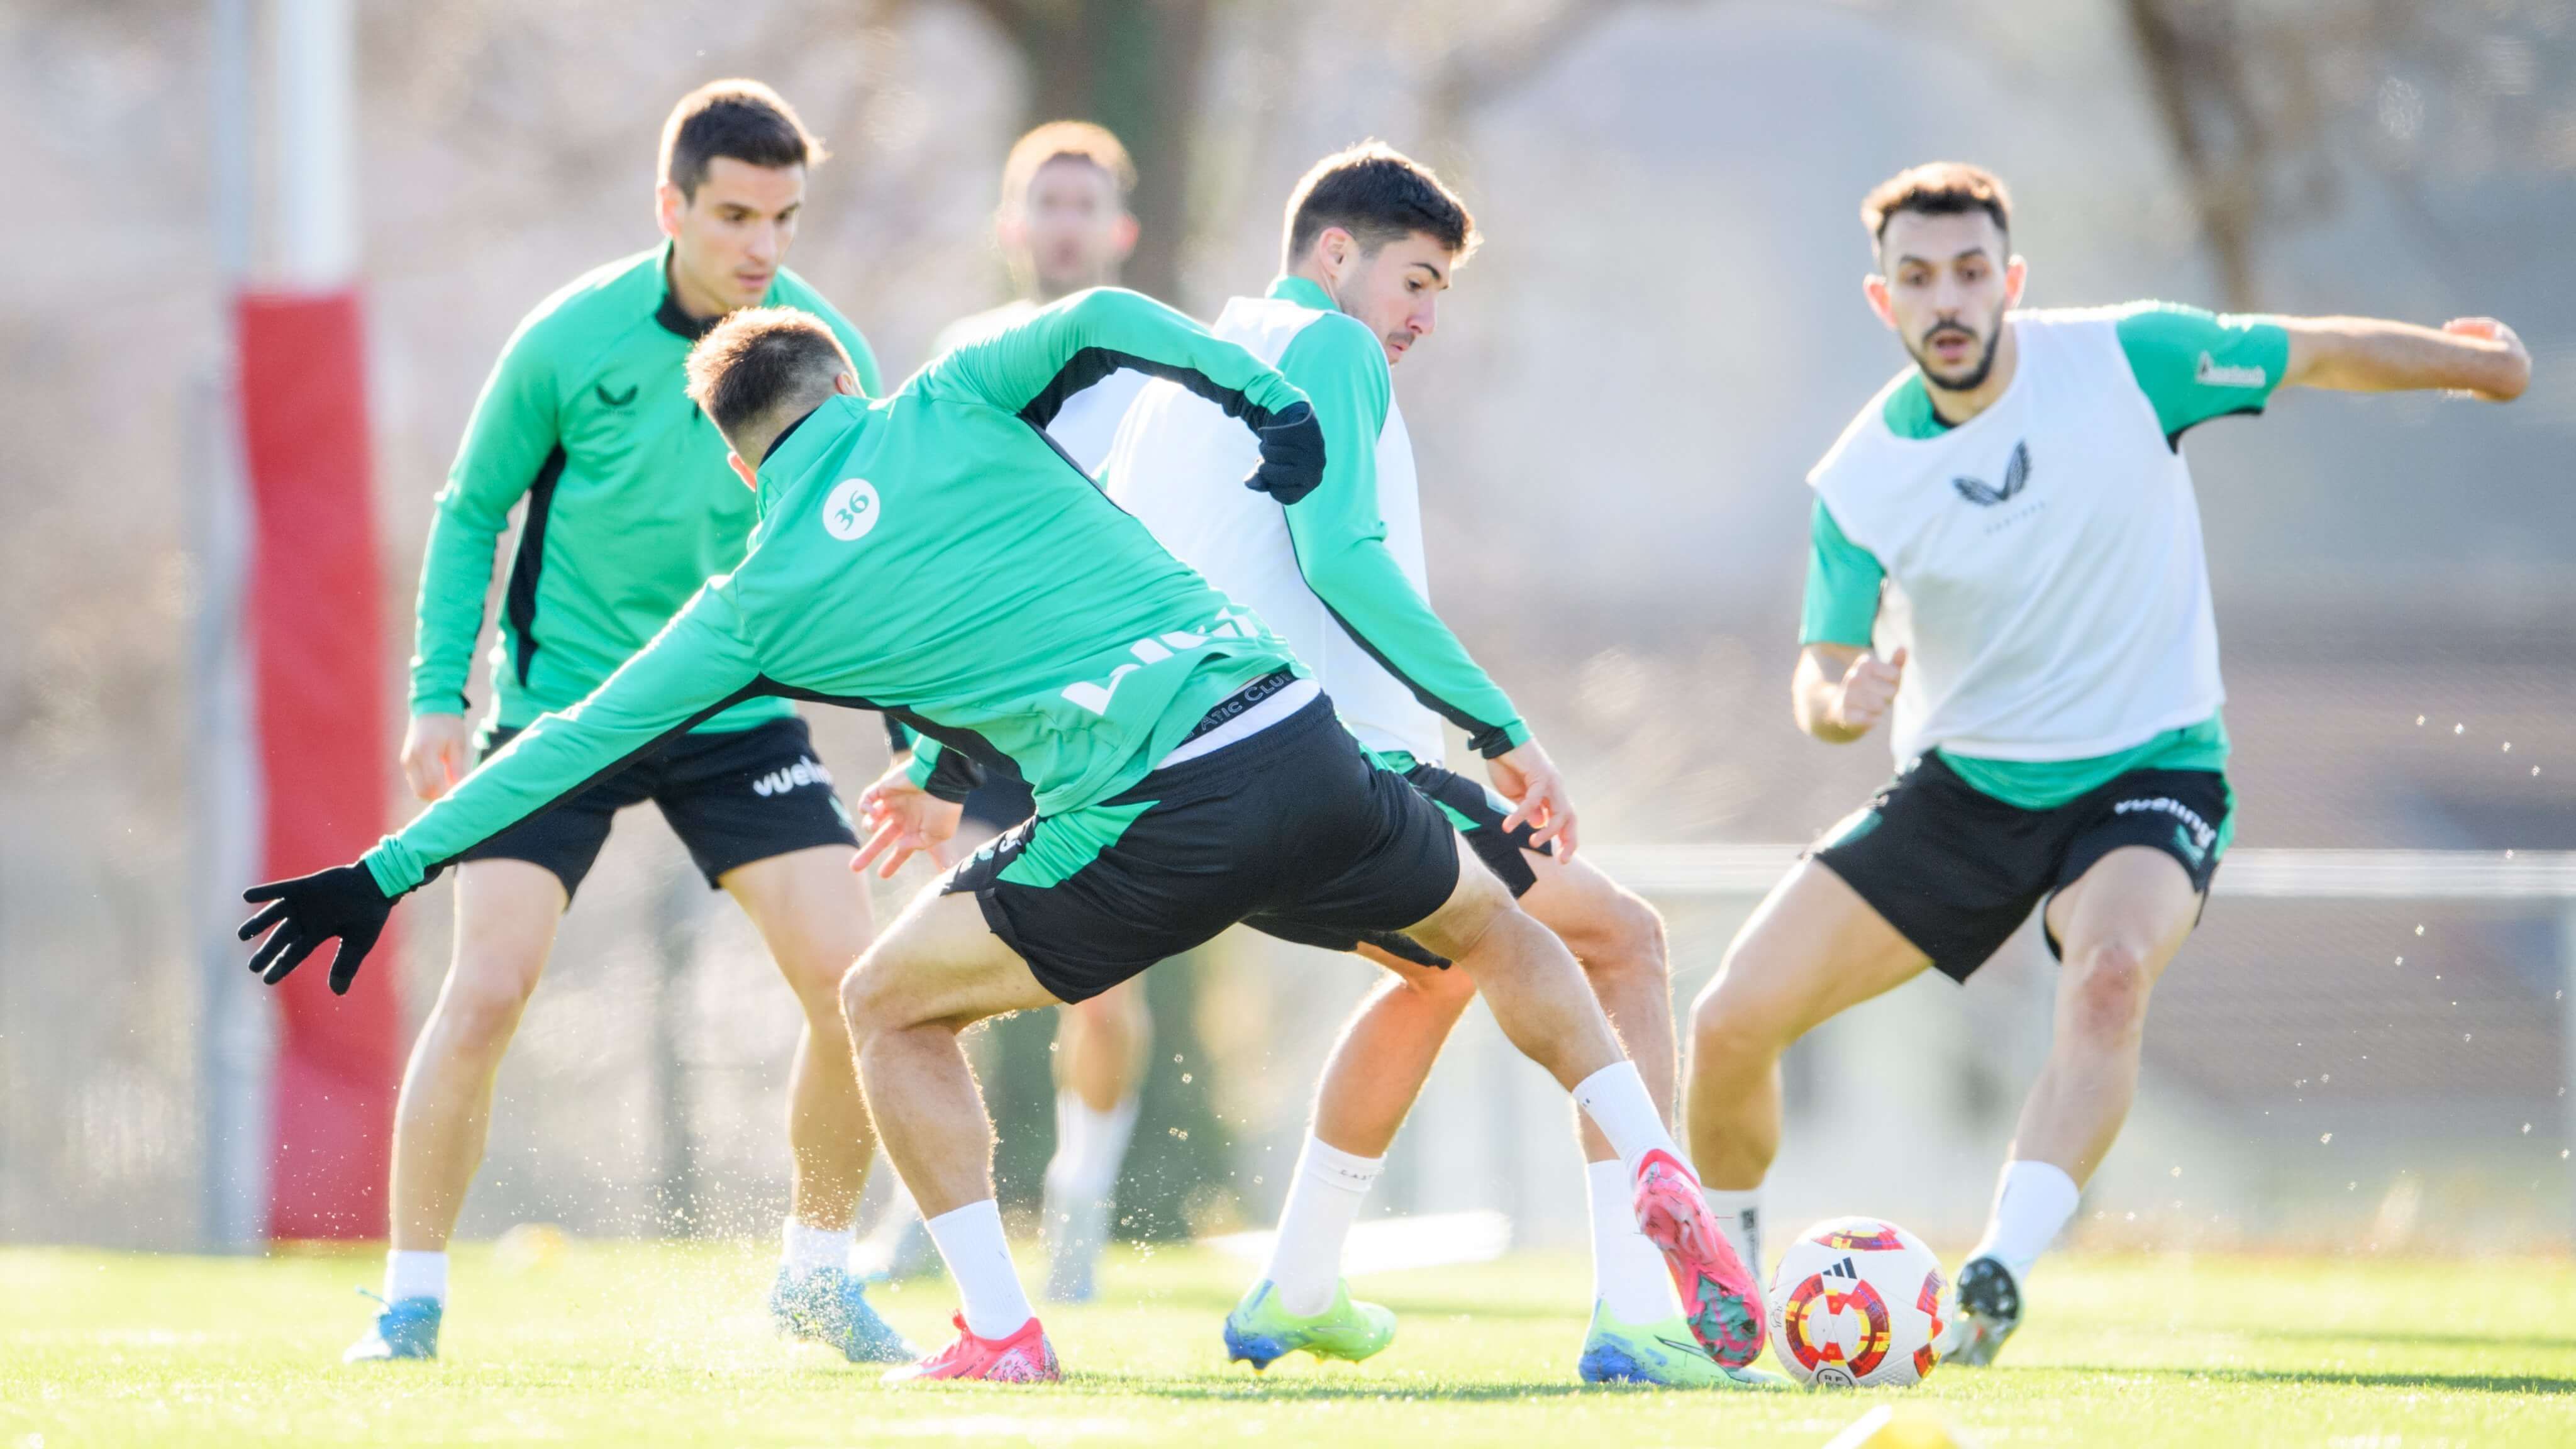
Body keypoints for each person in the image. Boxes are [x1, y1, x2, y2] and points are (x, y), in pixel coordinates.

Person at [238, 292, 1757, 1386]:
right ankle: (1649, 1162)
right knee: (1497, 937)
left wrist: (382, 870)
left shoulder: (758, 595)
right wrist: (1261, 399)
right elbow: (1103, 310)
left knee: (882, 1004)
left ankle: (998, 1329)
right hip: (1290, 734)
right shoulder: (959, 390)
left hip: (1148, 817)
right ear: (842, 376)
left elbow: (571, 739)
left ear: (741, 459)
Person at [1679, 161, 2531, 1366]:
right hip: (1966, 791)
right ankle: (1724, 1279)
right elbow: (1820, 675)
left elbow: (2315, 351)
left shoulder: (2131, 361)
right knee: (1726, 1022)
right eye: (1918, 279)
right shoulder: (1862, 478)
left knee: (2112, 971)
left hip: (2150, 770)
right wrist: (1841, 696)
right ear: (1884, 303)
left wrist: (2473, 365)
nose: (1949, 300)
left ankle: (1997, 1274)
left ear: (2011, 281)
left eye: (1971, 272)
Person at [1104, 142, 1752, 1386]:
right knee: (1623, 941)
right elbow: (1342, 559)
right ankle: (1637, 1311)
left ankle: (1296, 1283)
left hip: (1188, 791)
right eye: (1412, 280)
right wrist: (1504, 733)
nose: (1423, 317)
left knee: (1433, 974)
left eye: (1441, 293)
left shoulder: (1173, 376)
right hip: (1342, 776)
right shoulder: (1329, 348)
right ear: (1334, 254)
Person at [357, 80, 903, 1365]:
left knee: (858, 989)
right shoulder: (570, 339)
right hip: (566, 712)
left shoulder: (827, 355)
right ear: (670, 206)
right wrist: (440, 691)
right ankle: (407, 1304)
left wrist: (922, 748)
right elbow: (471, 507)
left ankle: (817, 1278)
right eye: (732, 215)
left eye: (783, 217)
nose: (761, 247)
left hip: (737, 711)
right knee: (485, 988)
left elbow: (870, 555)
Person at [859, 121, 1153, 1306]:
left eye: (1087, 204)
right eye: (1048, 201)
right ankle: (922, 1214)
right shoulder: (961, 356)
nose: (1067, 222)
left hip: (1108, 708)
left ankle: (1082, 1199)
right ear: (1011, 225)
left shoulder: (1151, 361)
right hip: (979, 707)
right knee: (936, 968)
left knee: (1106, 988)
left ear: (1120, 231)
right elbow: (922, 535)